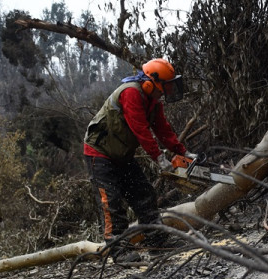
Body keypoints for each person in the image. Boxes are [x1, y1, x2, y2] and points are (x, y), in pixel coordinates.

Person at [83, 58, 196, 252]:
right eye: (164, 87)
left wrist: (183, 152)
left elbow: (163, 130)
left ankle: (157, 241)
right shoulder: (131, 93)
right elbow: (140, 129)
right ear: (149, 82)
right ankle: (119, 251)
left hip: (122, 155)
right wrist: (159, 158)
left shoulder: (154, 102)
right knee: (111, 203)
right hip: (99, 154)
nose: (165, 92)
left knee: (144, 194)